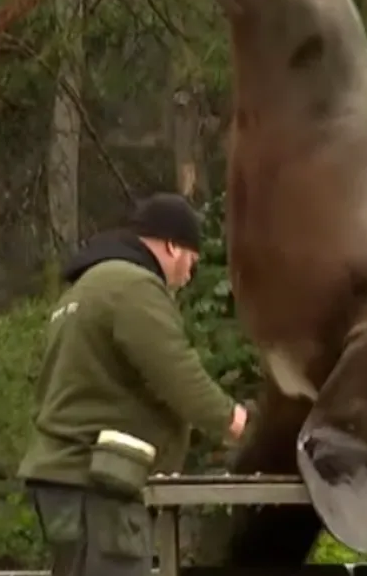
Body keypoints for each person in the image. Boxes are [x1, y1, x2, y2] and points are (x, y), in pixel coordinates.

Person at [17, 192, 249, 576]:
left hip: (67, 478)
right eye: (191, 260)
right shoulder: (133, 286)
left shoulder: (87, 287)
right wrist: (234, 421)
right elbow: (175, 371)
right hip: (97, 487)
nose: (190, 274)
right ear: (173, 246)